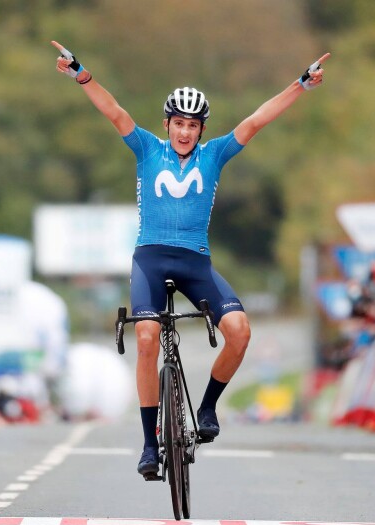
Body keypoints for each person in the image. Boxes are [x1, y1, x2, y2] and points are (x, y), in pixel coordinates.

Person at [52, 40, 328, 478]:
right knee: (145, 339)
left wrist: (301, 84)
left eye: (193, 125)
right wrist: (80, 74)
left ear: (201, 129)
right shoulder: (146, 148)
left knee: (239, 331)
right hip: (151, 259)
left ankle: (207, 408)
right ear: (167, 124)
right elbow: (115, 111)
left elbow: (257, 120)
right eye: (178, 123)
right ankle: (148, 444)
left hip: (196, 260)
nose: (185, 132)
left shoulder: (215, 154)